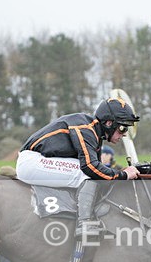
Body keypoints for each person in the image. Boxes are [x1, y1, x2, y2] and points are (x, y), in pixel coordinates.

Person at [16, 98, 141, 238]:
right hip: (32, 162)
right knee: (86, 174)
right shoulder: (86, 128)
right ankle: (84, 224)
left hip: (39, 161)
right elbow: (90, 167)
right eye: (122, 128)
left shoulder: (94, 133)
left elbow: (99, 170)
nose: (124, 134)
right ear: (109, 123)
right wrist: (122, 175)